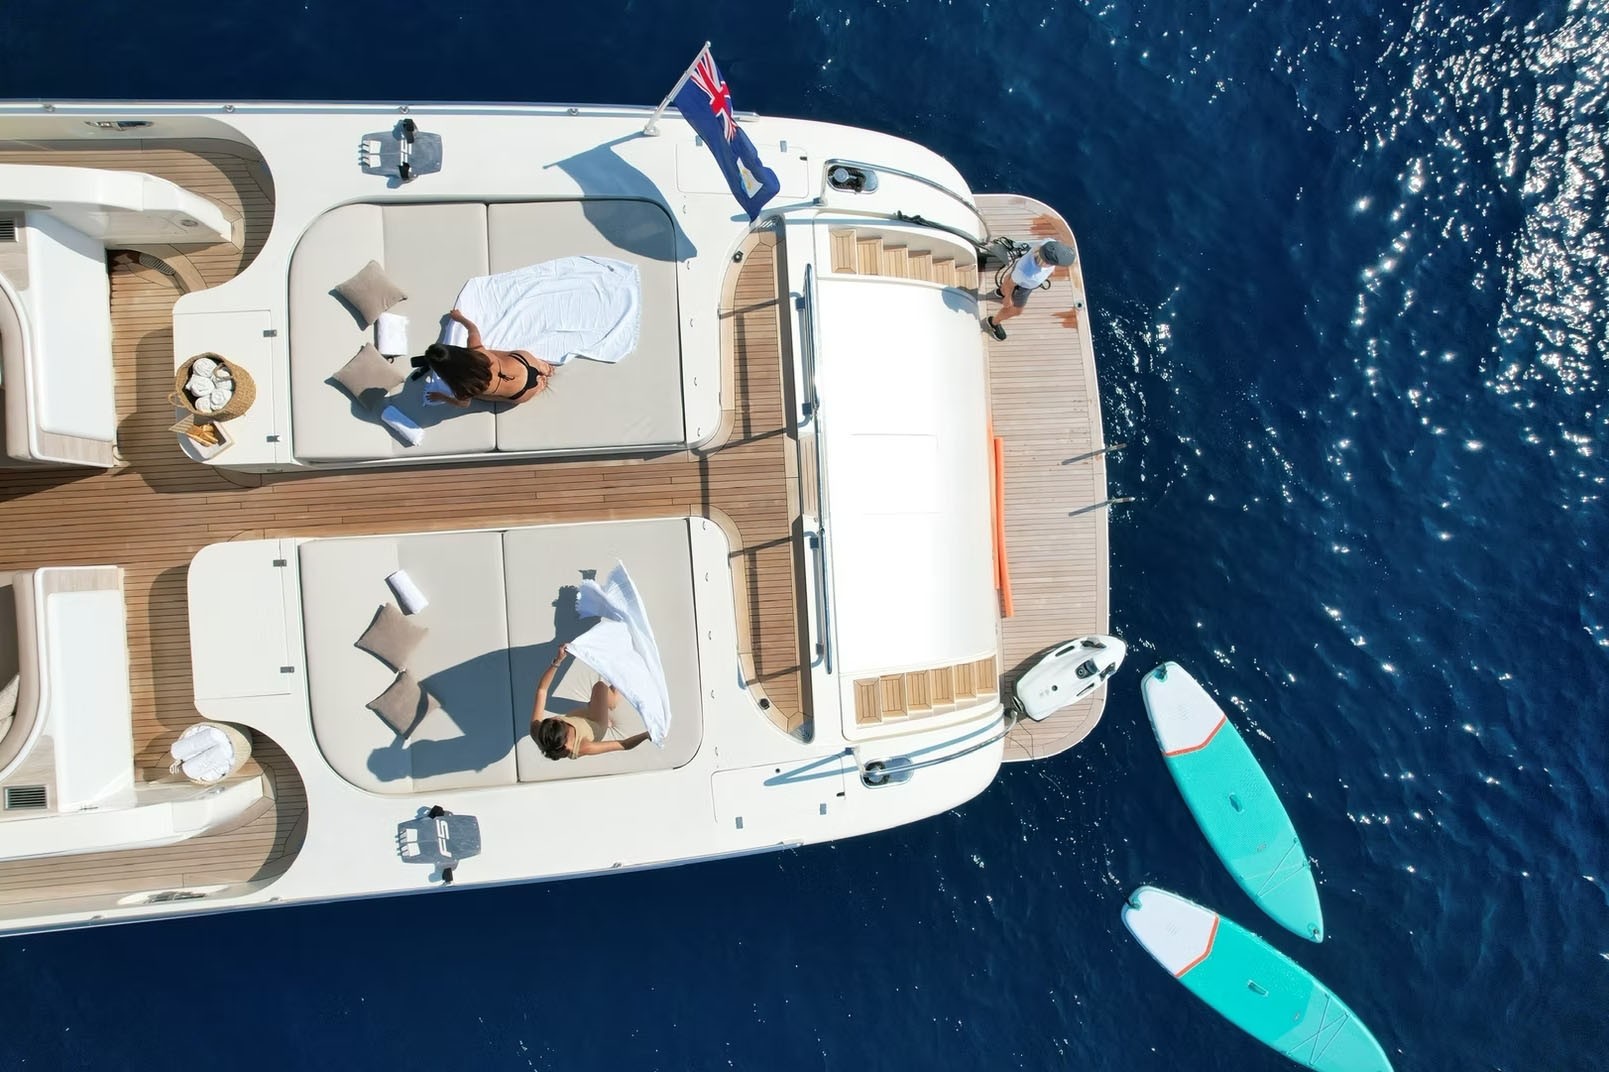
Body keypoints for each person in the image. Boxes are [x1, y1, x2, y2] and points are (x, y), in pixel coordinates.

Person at [529, 644, 650, 760]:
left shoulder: (538, 732)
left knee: (585, 708)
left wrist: (557, 661)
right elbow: (623, 744)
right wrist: (646, 735)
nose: (558, 718)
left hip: (579, 718)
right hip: (597, 725)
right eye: (560, 722)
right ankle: (612, 703)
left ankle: (596, 708)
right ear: (565, 738)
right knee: (600, 687)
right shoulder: (582, 747)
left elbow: (542, 690)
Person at [410, 308, 555, 406]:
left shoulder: (462, 387)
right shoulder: (475, 348)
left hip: (523, 393)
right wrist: (459, 318)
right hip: (526, 362)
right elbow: (472, 329)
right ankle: (539, 365)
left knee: (478, 394)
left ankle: (538, 387)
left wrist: (441, 397)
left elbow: (464, 404)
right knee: (489, 355)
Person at [982, 238, 1077, 341]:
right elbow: (1010, 283)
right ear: (1047, 263)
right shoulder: (1027, 273)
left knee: (1010, 277)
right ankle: (993, 322)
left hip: (1018, 274)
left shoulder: (1048, 242)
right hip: (1022, 287)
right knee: (1016, 311)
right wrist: (1008, 298)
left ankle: (1001, 291)